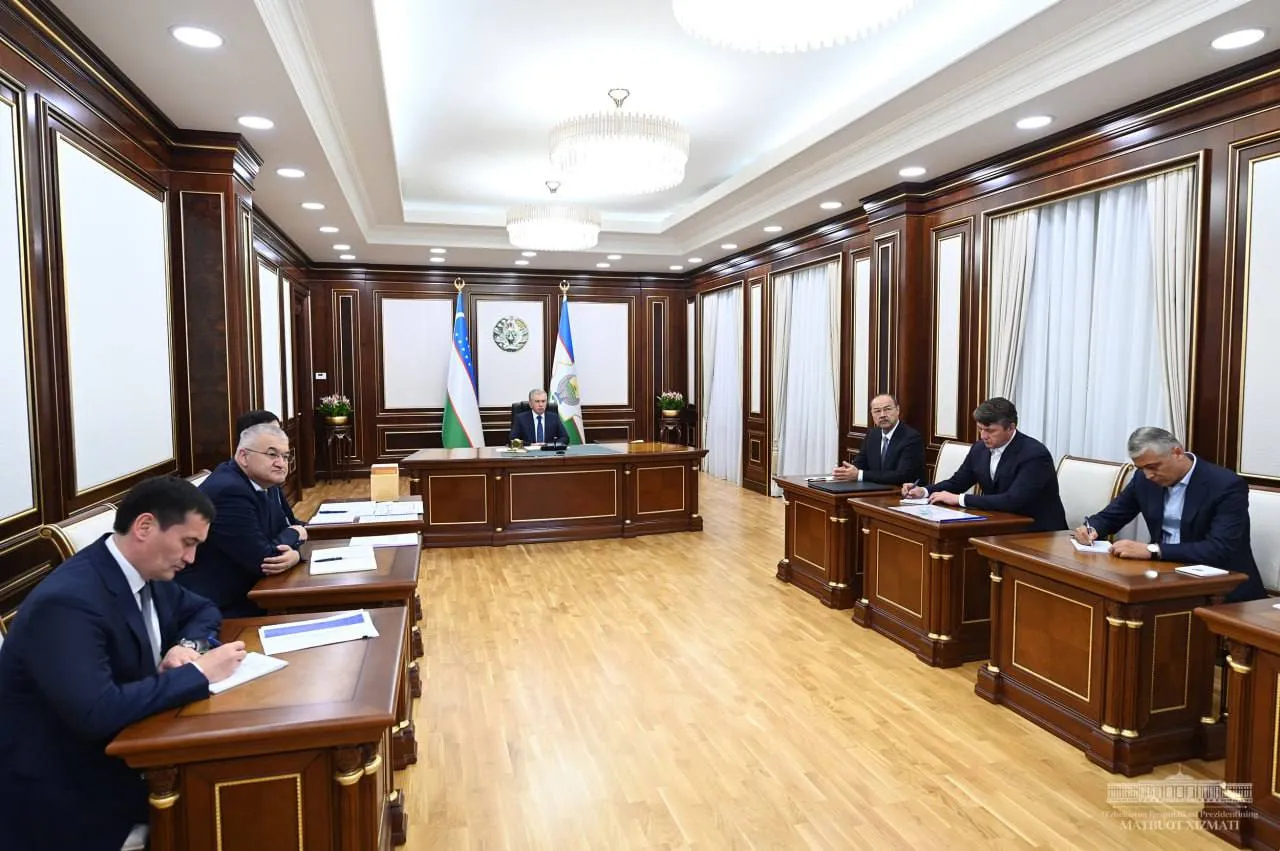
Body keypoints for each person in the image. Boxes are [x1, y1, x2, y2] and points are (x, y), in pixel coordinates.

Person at [0, 477, 247, 851]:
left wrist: (186, 646)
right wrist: (199, 672)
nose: (192, 559)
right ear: (145, 527)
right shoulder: (69, 602)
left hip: (134, 751)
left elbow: (203, 608)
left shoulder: (147, 571)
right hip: (70, 798)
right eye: (188, 543)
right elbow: (97, 711)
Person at [1072, 426, 1265, 602]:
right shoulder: (1143, 479)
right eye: (1141, 469)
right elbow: (1112, 516)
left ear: (1177, 453)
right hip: (1163, 575)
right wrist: (1092, 528)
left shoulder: (1225, 485)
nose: (1148, 475)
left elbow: (1219, 548)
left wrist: (1153, 550)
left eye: (1153, 467)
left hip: (1220, 585)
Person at [176, 422, 307, 616]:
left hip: (253, 589)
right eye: (272, 455)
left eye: (285, 456)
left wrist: (294, 551)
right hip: (218, 607)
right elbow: (266, 560)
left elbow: (279, 532)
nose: (281, 463)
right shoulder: (229, 490)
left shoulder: (265, 482)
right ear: (244, 456)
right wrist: (295, 534)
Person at [903, 397, 1067, 532]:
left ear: (1011, 428)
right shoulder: (979, 448)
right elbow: (958, 482)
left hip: (1038, 531)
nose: (983, 436)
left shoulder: (1035, 454)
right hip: (996, 523)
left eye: (990, 431)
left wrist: (959, 499)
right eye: (980, 429)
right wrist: (924, 491)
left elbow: (1013, 500)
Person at [832, 393, 924, 485]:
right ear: (871, 414)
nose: (882, 415)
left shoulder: (911, 438)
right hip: (875, 490)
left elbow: (902, 475)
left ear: (898, 410)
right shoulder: (872, 435)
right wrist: (846, 472)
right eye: (877, 411)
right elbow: (859, 463)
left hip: (902, 493)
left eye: (887, 409)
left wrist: (860, 475)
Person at [235, 409, 301, 526]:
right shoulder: (235, 491)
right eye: (271, 432)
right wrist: (294, 534)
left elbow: (288, 523)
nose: (280, 463)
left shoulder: (267, 477)